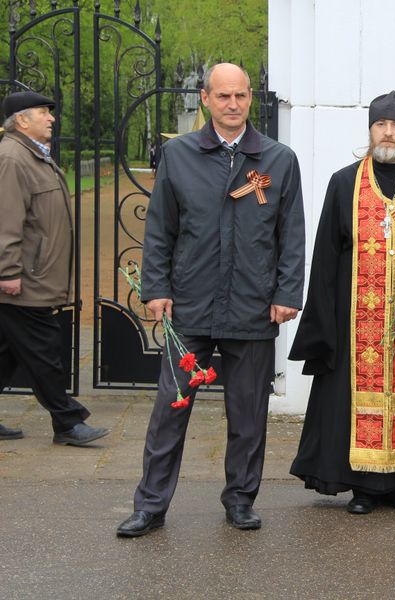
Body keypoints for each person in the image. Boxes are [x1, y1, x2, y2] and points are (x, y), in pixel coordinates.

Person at [116, 63, 305, 537]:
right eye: (223, 96)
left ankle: (240, 500)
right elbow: (160, 229)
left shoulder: (278, 159)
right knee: (170, 412)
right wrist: (157, 287)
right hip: (191, 307)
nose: (234, 105)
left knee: (247, 415)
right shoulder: (178, 155)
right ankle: (151, 505)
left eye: (241, 96)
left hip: (253, 306)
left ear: (250, 99)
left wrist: (286, 293)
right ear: (206, 99)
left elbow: (292, 234)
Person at [288, 91, 395, 514]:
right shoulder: (344, 183)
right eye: (381, 124)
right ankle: (362, 487)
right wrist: (324, 323)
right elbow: (326, 253)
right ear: (370, 129)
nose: (388, 132)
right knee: (352, 397)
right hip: (355, 320)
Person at [0, 91, 109, 446]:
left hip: (32, 274)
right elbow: (6, 221)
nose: (51, 118)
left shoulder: (31, 156)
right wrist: (8, 271)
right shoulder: (13, 158)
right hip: (24, 279)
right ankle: (67, 421)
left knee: (9, 352)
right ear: (21, 120)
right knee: (44, 350)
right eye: (43, 112)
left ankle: (65, 420)